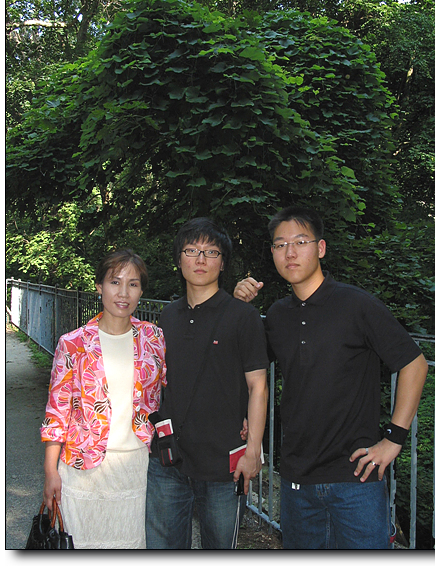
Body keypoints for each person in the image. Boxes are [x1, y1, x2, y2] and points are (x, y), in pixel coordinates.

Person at [234, 206, 428, 550]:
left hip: (356, 480)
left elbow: (414, 363)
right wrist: (239, 309)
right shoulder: (277, 315)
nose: (290, 252)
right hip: (296, 481)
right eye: (280, 244)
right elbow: (248, 369)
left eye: (300, 241)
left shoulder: (357, 305)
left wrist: (394, 439)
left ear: (320, 248)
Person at [145, 217, 269, 549]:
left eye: (211, 252)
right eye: (191, 250)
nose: (200, 259)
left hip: (223, 464)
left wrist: (253, 450)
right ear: (179, 259)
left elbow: (258, 386)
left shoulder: (243, 317)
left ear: (223, 263)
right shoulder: (167, 316)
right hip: (168, 459)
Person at [41, 249, 166, 549]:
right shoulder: (73, 343)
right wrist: (50, 471)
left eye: (133, 284)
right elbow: (57, 411)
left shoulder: (153, 338)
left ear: (141, 291)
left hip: (135, 467)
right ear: (99, 286)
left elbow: (173, 389)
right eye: (115, 282)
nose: (123, 293)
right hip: (82, 468)